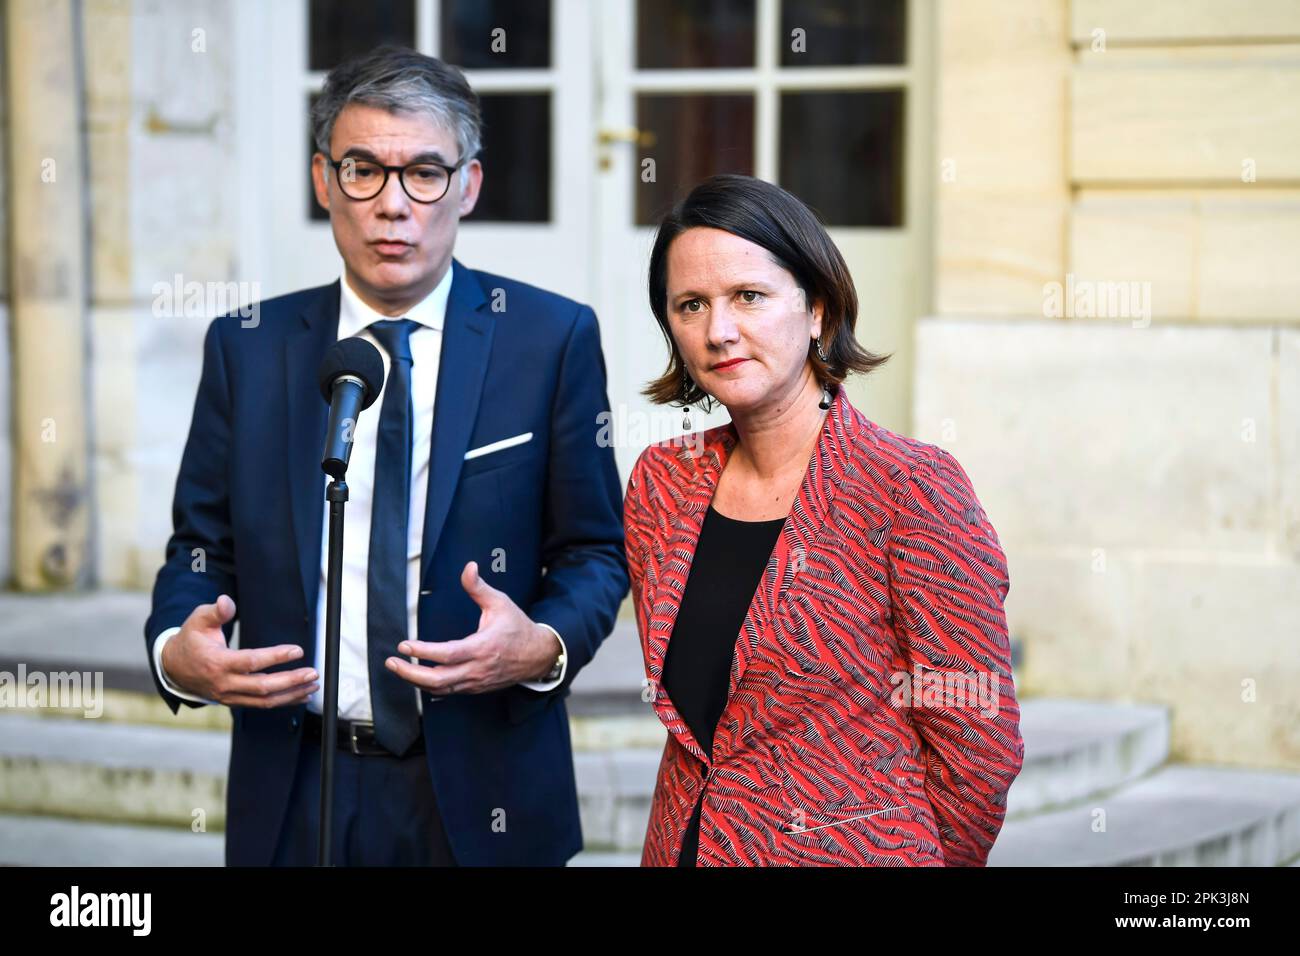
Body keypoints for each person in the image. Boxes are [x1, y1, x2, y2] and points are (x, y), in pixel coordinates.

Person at [144, 46, 627, 866]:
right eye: (363, 170)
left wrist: (541, 645)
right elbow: (200, 550)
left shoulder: (551, 339)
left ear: (468, 185)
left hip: (486, 788)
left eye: (426, 174)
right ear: (323, 181)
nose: (393, 206)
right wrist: (175, 653)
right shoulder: (247, 349)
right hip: (297, 786)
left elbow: (593, 552)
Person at [624, 174, 1024, 866]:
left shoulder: (910, 489)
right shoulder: (665, 482)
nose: (719, 331)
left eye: (748, 296)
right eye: (691, 305)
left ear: (817, 309)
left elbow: (977, 748)